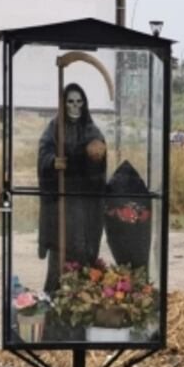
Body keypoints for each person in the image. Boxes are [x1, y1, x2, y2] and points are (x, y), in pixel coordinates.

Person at [37, 83, 108, 294]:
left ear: (84, 103)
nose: (75, 106)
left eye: (79, 102)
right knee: (60, 247)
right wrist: (52, 161)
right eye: (70, 102)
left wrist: (96, 155)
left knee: (82, 246)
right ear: (63, 104)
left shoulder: (91, 129)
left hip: (84, 201)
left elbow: (98, 164)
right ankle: (55, 293)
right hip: (60, 198)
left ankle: (83, 295)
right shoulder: (54, 128)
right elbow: (44, 152)